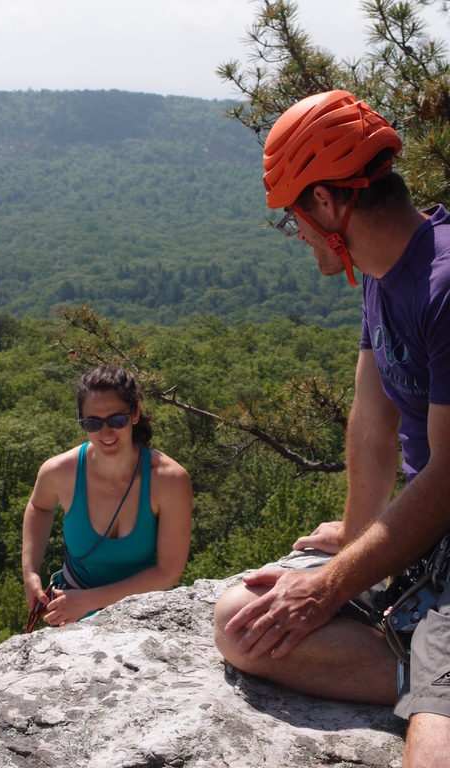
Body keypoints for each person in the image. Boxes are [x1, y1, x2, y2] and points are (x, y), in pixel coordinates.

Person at [213, 90, 450, 768]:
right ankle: (415, 658)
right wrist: (352, 538)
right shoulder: (383, 274)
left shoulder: (443, 284)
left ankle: (431, 679)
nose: (300, 236)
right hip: (430, 544)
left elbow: (448, 473)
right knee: (243, 620)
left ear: (325, 202)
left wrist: (332, 584)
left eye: (295, 218)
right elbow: (373, 425)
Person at [22, 363, 192, 630]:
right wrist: (30, 571)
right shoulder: (59, 472)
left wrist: (88, 601)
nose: (105, 432)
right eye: (92, 422)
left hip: (143, 618)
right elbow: (39, 506)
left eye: (116, 420)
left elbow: (167, 572)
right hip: (71, 611)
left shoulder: (169, 481)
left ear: (134, 414)